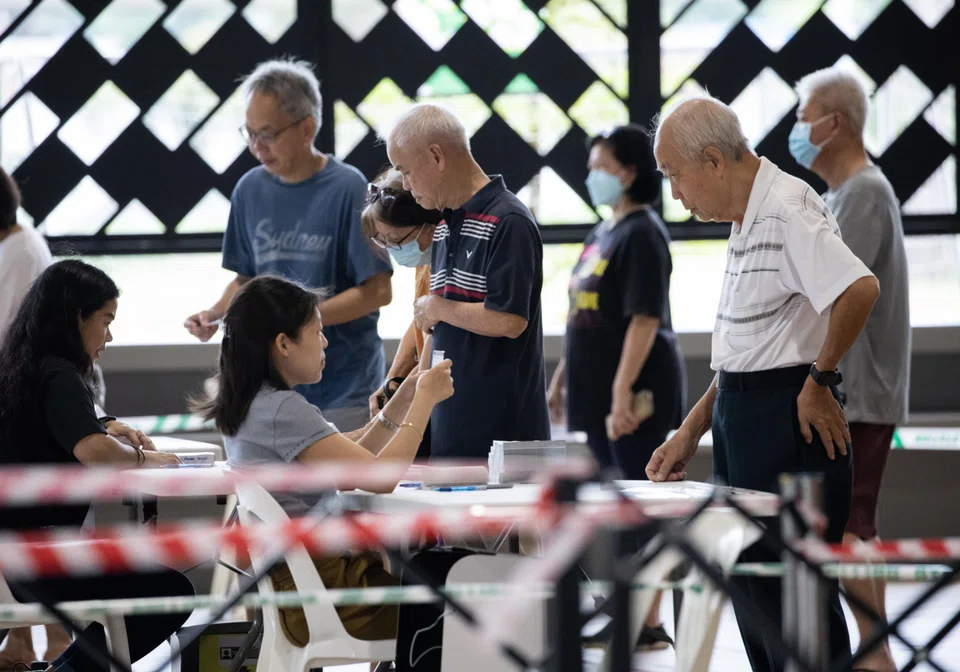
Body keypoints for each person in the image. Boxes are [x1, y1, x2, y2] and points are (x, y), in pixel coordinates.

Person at [647, 96, 880, 672]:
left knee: (797, 613)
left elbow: (860, 288)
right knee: (756, 603)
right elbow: (744, 355)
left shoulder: (784, 207)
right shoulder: (744, 217)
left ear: (713, 161)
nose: (676, 194)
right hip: (743, 419)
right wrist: (691, 430)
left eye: (676, 175)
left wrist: (819, 380)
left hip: (786, 424)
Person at [196, 275, 454, 644]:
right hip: (330, 596)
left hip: (298, 591)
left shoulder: (253, 404)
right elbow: (379, 477)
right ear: (283, 344)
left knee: (433, 577)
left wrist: (407, 395)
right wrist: (426, 402)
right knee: (457, 601)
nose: (325, 341)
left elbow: (350, 451)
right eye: (317, 331)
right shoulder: (282, 409)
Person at [0, 260, 192, 672]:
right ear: (76, 317)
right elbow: (95, 453)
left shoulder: (18, 366)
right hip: (43, 560)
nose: (108, 336)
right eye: (105, 321)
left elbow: (51, 426)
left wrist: (105, 423)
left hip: (13, 557)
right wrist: (148, 458)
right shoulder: (60, 373)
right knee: (171, 590)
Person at [184, 58, 393, 432]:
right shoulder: (249, 189)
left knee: (344, 488)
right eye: (248, 134)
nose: (255, 147)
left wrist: (301, 324)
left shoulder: (347, 188)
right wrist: (215, 315)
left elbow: (377, 292)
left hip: (345, 386)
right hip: (271, 387)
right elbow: (246, 280)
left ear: (307, 128)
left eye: (267, 134)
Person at [547, 124, 685, 649]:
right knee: (613, 504)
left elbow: (644, 320)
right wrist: (561, 379)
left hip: (634, 394)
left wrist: (622, 393)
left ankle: (646, 620)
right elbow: (582, 315)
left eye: (600, 166)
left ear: (628, 172)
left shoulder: (644, 234)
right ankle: (627, 607)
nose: (591, 176)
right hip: (593, 393)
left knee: (639, 504)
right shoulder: (603, 232)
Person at [792, 66, 910, 672]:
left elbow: (838, 293)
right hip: (851, 390)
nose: (796, 128)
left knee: (854, 520)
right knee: (849, 522)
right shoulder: (844, 195)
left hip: (858, 392)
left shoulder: (863, 192)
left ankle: (875, 654)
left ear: (833, 124)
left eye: (803, 115)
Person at [385, 103, 550, 459]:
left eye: (408, 172)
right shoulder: (445, 224)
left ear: (436, 156)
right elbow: (440, 329)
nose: (408, 186)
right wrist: (402, 395)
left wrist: (437, 306)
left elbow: (508, 320)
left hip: (504, 435)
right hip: (452, 429)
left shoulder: (509, 220)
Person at [361, 171, 443, 457]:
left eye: (395, 240)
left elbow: (436, 329)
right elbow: (420, 319)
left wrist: (406, 396)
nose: (393, 250)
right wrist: (393, 380)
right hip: (418, 388)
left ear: (426, 226)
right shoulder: (425, 259)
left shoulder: (445, 257)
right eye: (384, 242)